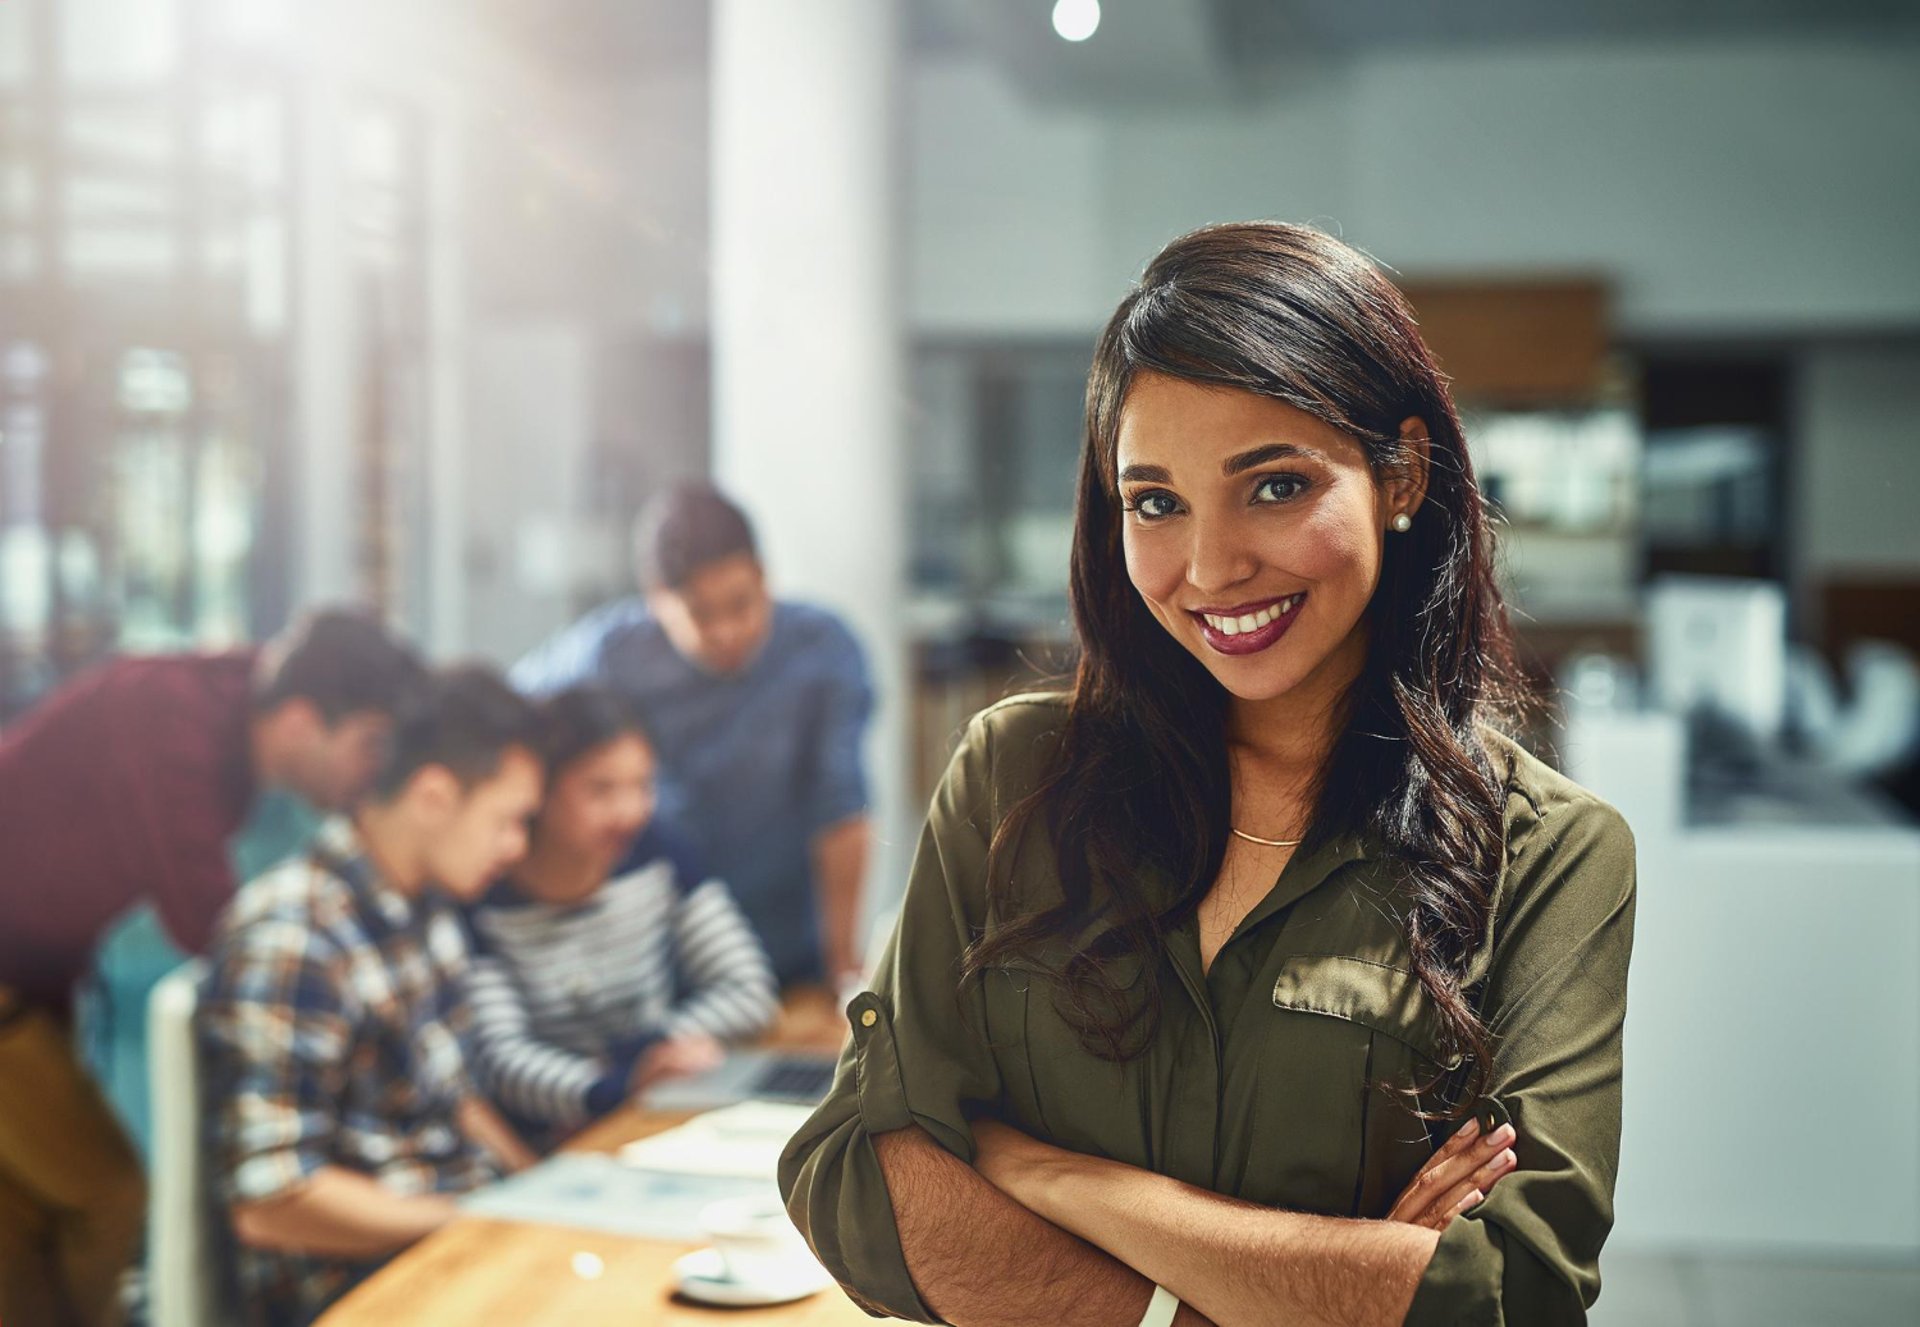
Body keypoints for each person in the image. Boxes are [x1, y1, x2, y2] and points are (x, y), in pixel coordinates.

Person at [779, 222, 1637, 1327]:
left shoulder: (1552, 855)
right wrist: (1311, 1286)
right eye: (1156, 502)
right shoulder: (1015, 779)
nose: (1210, 566)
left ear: (1402, 473)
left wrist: (1055, 1176)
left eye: (1274, 486)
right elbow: (855, 1170)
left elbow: (1509, 1295)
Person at [0, 607, 421, 1327]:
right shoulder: (172, 719)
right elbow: (212, 922)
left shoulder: (229, 710)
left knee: (23, 1219)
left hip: (37, 980)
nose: (372, 773)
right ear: (298, 721)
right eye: (368, 745)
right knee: (111, 1196)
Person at [197, 666, 544, 1327]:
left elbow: (456, 1099)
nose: (517, 846)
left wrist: (541, 1192)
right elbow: (271, 1199)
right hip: (369, 1288)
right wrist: (479, 1216)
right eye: (509, 820)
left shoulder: (427, 906)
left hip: (462, 1243)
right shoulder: (296, 934)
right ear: (435, 795)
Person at [511, 484, 874, 996]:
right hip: (648, 958)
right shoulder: (606, 655)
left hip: (791, 949)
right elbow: (501, 731)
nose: (727, 631)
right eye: (701, 614)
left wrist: (843, 969)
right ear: (655, 599)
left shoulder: (824, 649)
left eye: (742, 604)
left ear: (765, 576)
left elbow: (840, 811)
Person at [465, 685, 780, 1151]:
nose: (630, 812)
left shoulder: (658, 853)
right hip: (554, 1137)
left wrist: (652, 1058)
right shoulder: (485, 887)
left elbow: (749, 989)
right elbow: (501, 1057)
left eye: (643, 785)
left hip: (655, 1109)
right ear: (539, 790)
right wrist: (615, 1084)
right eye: (601, 789)